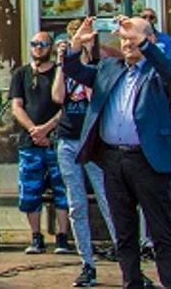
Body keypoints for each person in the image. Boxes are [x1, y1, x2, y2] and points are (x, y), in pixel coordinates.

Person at [63, 14, 171, 289]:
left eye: (134, 38)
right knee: (124, 231)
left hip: (147, 160)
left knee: (160, 229)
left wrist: (143, 42)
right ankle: (131, 282)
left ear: (149, 41)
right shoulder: (110, 67)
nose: (127, 43)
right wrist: (75, 44)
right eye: (124, 38)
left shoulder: (157, 71)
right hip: (113, 159)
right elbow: (75, 71)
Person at [54, 21, 117, 288]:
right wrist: (61, 63)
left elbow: (95, 98)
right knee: (76, 204)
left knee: (107, 200)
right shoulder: (66, 66)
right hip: (67, 140)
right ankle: (87, 264)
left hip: (92, 140)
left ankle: (128, 260)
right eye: (74, 38)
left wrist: (90, 58)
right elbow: (57, 97)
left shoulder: (99, 65)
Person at [10, 30, 71, 256]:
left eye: (43, 44)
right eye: (34, 43)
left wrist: (46, 129)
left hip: (56, 140)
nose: (38, 48)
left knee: (61, 190)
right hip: (30, 142)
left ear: (51, 47)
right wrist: (34, 130)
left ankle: (62, 237)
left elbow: (66, 105)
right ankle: (36, 237)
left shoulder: (59, 72)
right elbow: (16, 106)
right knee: (30, 191)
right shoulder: (21, 74)